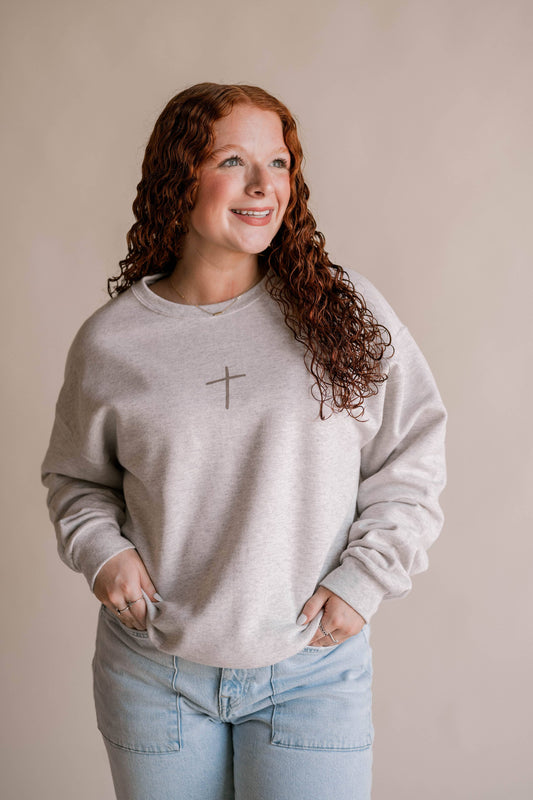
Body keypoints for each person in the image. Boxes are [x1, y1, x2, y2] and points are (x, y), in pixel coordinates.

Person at [41, 82, 447, 800]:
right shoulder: (113, 342)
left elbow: (411, 453)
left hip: (311, 673)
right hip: (153, 672)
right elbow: (77, 482)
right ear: (179, 179)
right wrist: (103, 552)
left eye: (280, 162)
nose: (265, 185)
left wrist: (365, 579)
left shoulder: (338, 311)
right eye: (233, 160)